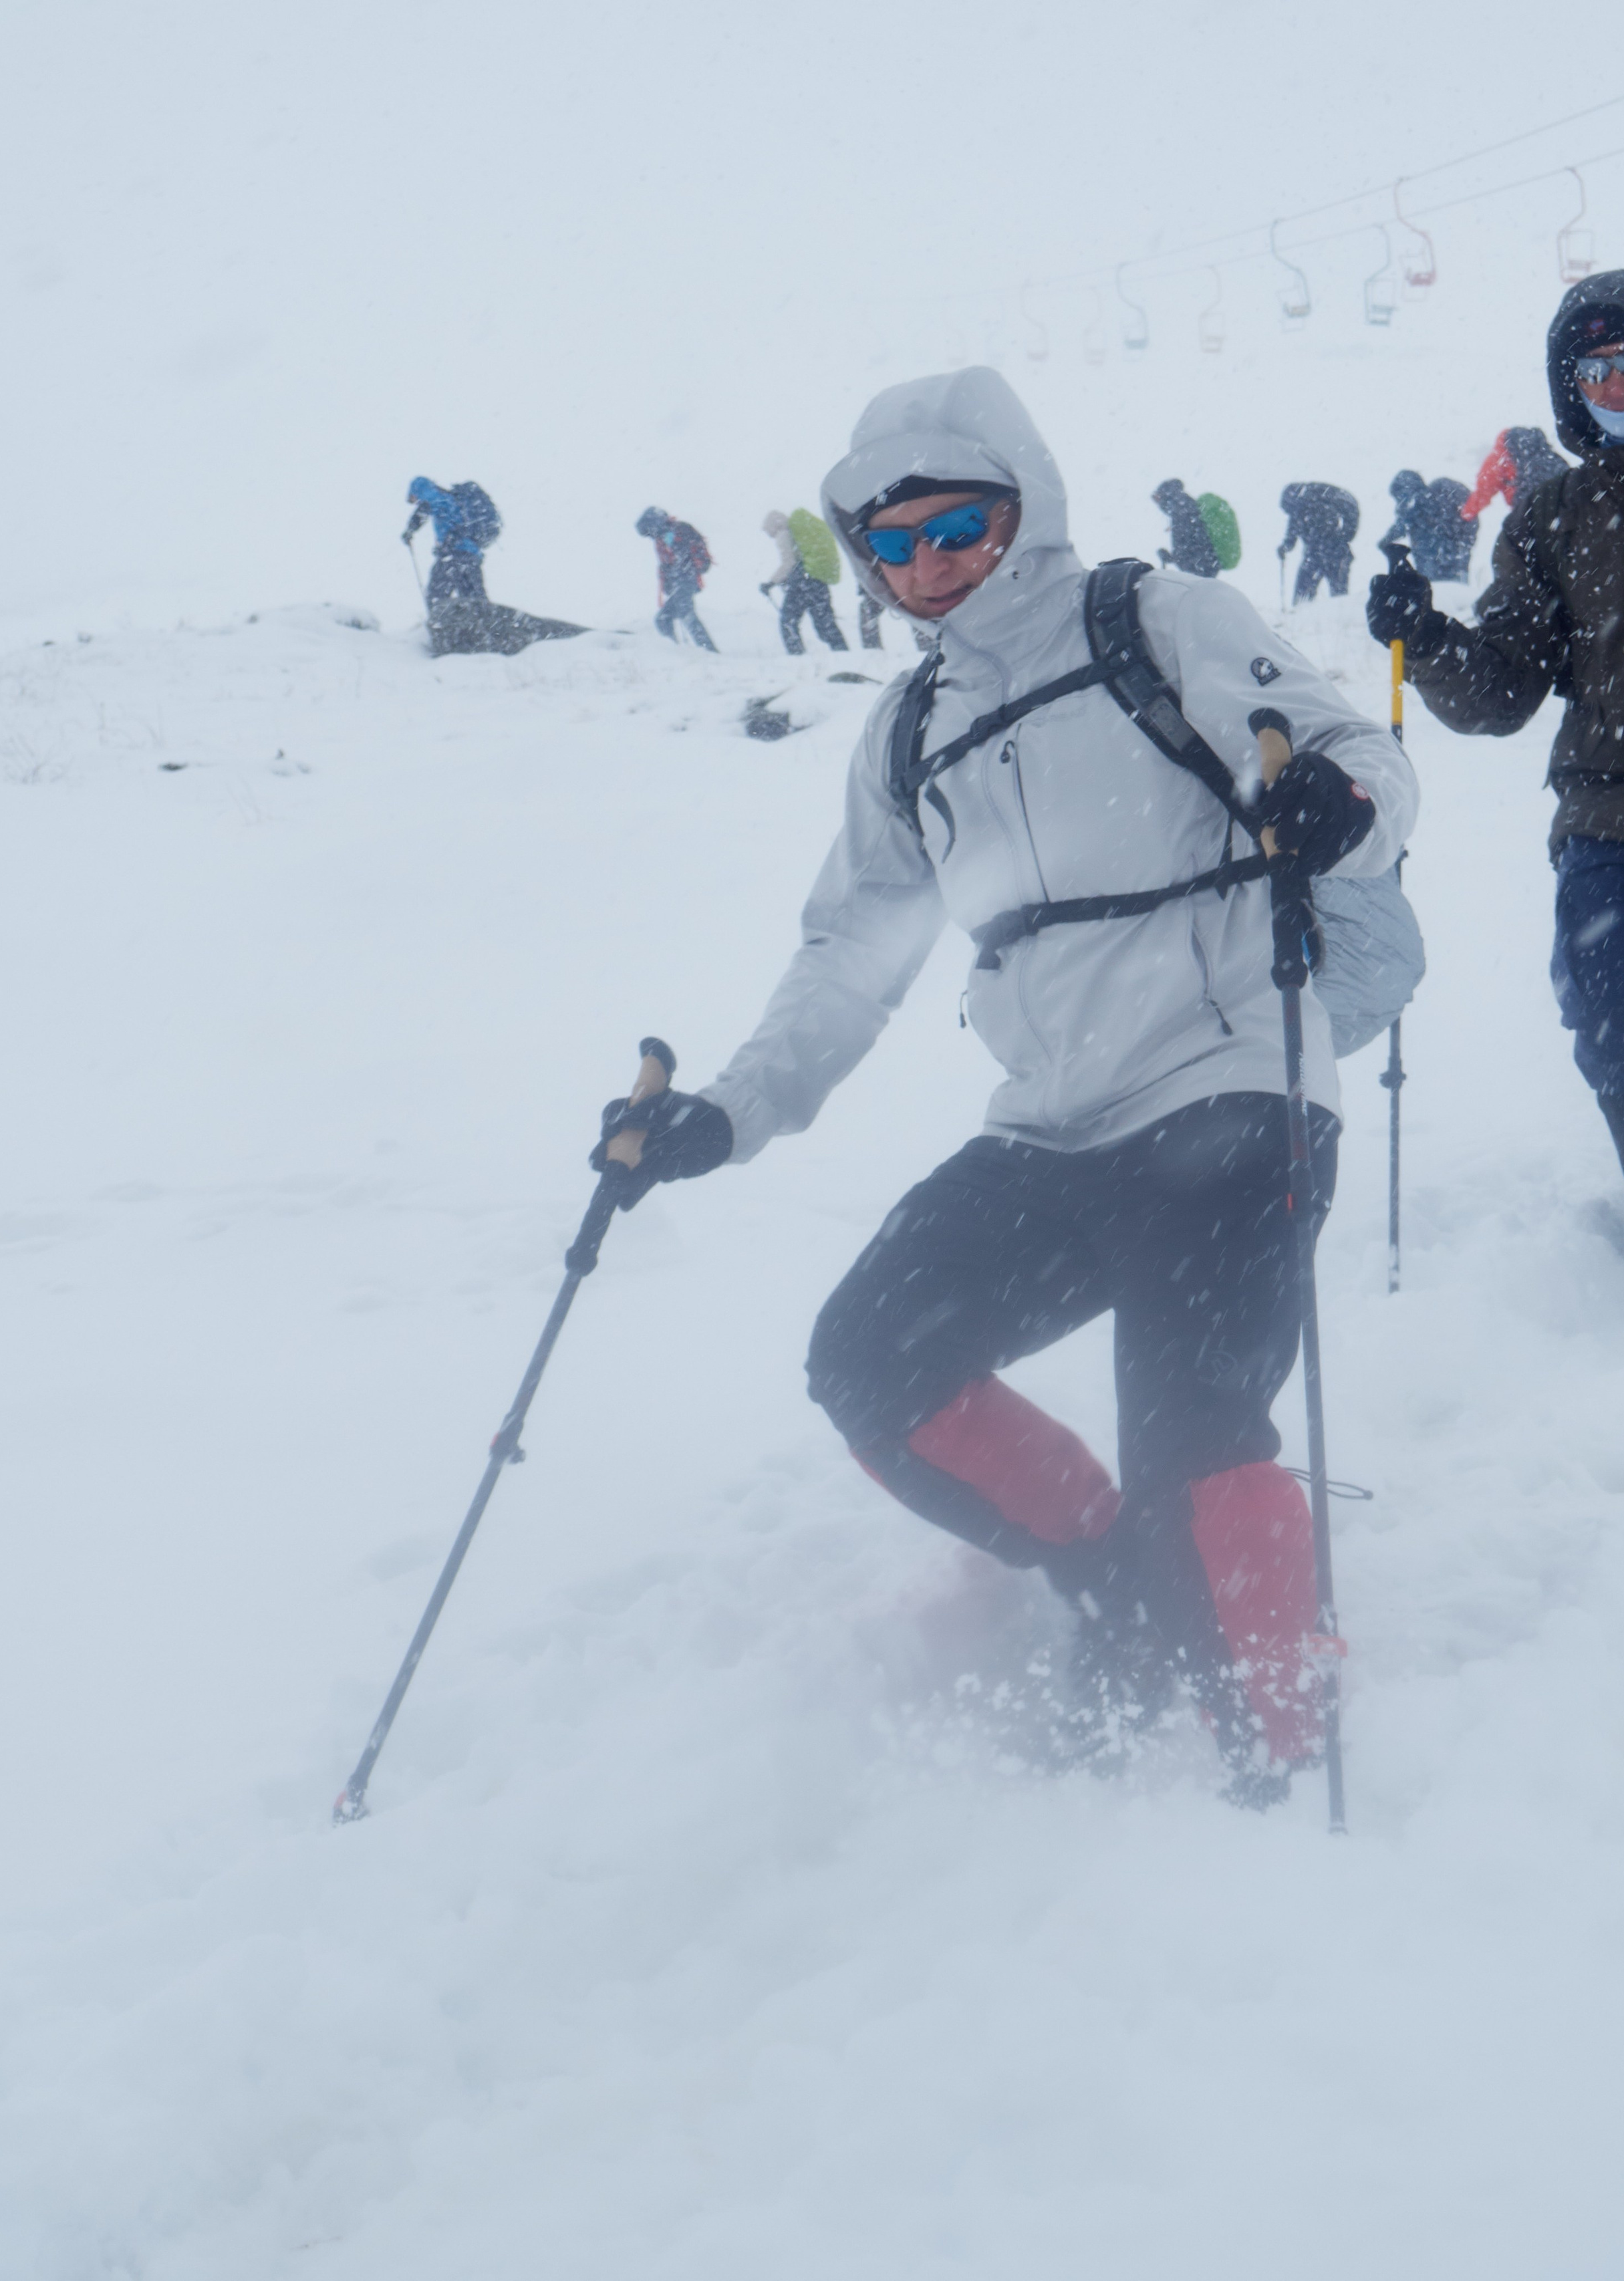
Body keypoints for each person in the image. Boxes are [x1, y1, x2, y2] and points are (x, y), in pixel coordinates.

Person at [601, 369, 1417, 1803]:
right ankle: (1116, 1575)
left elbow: (1350, 748)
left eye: (958, 522)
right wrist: (725, 1111)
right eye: (894, 542)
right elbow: (849, 954)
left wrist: (1335, 802)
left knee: (1196, 1429)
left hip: (1231, 1085)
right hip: (1050, 1127)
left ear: (1017, 508)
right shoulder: (905, 730)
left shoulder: (1151, 619)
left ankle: (1277, 1755)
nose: (928, 563)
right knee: (866, 1356)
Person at [1369, 270, 1624, 1289]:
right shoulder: (1549, 519)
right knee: (1622, 1029)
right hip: (1608, 821)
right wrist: (1427, 635)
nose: (1620, 387)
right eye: (1599, 372)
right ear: (1570, 384)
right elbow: (1501, 692)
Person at [402, 478, 583, 656]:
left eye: (413, 498)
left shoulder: (432, 495)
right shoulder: (451, 499)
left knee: (437, 596)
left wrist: (415, 531)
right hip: (470, 555)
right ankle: (485, 636)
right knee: (475, 599)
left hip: (453, 556)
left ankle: (443, 636)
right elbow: (431, 510)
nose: (415, 502)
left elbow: (428, 507)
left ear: (417, 490)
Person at [762, 508, 849, 654]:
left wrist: (771, 583)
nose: (770, 536)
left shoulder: (783, 534)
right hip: (818, 581)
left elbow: (788, 563)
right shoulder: (800, 534)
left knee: (788, 622)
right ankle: (843, 653)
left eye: (768, 532)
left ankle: (798, 657)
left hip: (802, 583)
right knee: (826, 625)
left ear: (772, 526)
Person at [636, 508, 716, 650]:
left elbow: (680, 559)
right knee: (665, 619)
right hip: (682, 581)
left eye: (650, 531)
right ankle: (680, 651)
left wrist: (675, 578)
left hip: (686, 580)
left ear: (654, 524)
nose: (651, 536)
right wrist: (669, 583)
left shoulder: (678, 531)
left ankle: (704, 651)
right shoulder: (663, 536)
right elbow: (668, 564)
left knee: (683, 615)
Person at [1461, 425, 1569, 525]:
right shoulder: (1541, 450)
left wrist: (1466, 513)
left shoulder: (1501, 452)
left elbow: (1485, 488)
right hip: (1562, 493)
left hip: (1531, 502)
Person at [1380, 469, 1475, 582]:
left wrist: (1385, 541)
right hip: (1456, 553)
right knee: (1456, 589)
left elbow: (1403, 523)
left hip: (1431, 559)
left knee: (1433, 589)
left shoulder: (1416, 503)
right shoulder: (1436, 498)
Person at [1278, 482, 1360, 603]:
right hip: (1333, 552)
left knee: (1304, 596)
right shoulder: (1305, 504)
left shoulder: (1309, 503)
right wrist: (1344, 536)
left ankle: (1301, 614)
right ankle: (1338, 617)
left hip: (1324, 553)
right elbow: (1294, 528)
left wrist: (1286, 546)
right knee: (1339, 596)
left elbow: (1294, 529)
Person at [1152, 478, 1220, 578]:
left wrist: (1173, 558)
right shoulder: (1185, 505)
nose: (1159, 505)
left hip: (1202, 567)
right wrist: (1172, 558)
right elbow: (1189, 544)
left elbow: (1186, 545)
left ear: (1165, 496)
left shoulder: (1180, 509)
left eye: (1158, 499)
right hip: (1207, 564)